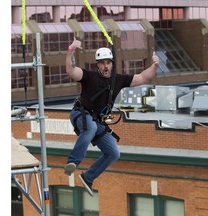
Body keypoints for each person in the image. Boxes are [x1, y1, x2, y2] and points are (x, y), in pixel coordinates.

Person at [64, 37, 159, 196]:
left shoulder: (119, 80)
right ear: (98, 65)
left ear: (112, 64)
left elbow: (143, 78)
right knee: (91, 127)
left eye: (108, 63)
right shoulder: (89, 77)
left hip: (96, 121)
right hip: (81, 114)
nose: (105, 66)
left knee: (113, 153)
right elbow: (71, 70)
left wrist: (155, 65)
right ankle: (73, 161)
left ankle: (88, 177)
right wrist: (70, 51)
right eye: (102, 63)